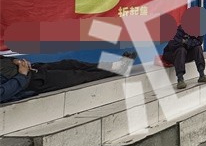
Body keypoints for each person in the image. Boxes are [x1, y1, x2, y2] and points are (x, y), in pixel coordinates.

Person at [1, 53, 132, 103]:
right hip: (31, 81)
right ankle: (118, 69)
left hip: (34, 68)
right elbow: (3, 93)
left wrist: (15, 61)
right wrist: (22, 75)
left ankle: (114, 65)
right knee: (78, 75)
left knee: (72, 63)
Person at [163, 19, 206, 90]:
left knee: (198, 48)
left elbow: (199, 42)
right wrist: (188, 42)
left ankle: (202, 75)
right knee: (181, 50)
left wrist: (186, 42)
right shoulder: (180, 29)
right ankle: (180, 79)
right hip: (172, 54)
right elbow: (173, 44)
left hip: (185, 54)